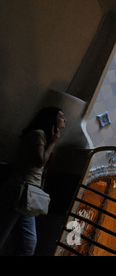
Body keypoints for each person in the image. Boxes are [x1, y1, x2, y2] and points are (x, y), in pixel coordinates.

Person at [0, 106, 66, 255]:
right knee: (11, 234)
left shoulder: (42, 135)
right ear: (52, 119)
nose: (64, 120)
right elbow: (39, 162)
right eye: (61, 117)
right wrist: (53, 142)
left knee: (28, 241)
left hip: (27, 193)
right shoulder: (39, 134)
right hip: (20, 190)